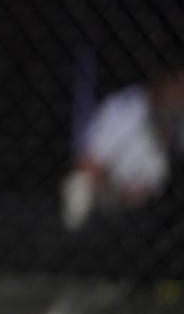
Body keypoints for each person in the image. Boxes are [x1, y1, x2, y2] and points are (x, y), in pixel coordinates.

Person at [62, 69, 184, 231]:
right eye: (178, 86)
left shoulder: (176, 118)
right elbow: (86, 166)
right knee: (78, 189)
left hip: (159, 210)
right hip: (110, 200)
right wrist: (116, 191)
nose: (180, 96)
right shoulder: (123, 111)